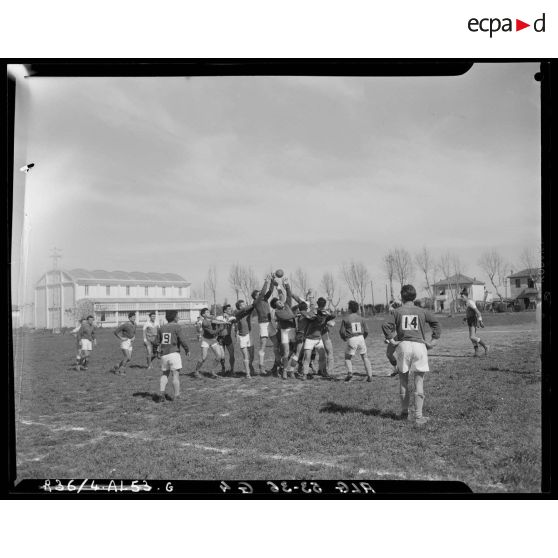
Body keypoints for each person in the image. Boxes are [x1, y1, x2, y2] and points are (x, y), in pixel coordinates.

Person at [382, 284, 441, 426]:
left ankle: (404, 413)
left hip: (403, 346)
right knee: (419, 381)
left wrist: (391, 339)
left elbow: (385, 325)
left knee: (403, 380)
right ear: (414, 296)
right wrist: (433, 341)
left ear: (401, 296)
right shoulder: (422, 311)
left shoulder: (397, 311)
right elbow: (436, 324)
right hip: (420, 346)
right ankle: (419, 416)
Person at [270, 277, 302, 379]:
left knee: (295, 351)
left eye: (280, 301)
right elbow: (287, 317)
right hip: (284, 332)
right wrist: (295, 315)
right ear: (275, 306)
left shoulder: (287, 305)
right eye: (278, 303)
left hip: (292, 330)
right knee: (286, 352)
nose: (280, 302)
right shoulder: (278, 312)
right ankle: (284, 371)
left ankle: (290, 370)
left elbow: (288, 294)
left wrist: (286, 284)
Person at [155, 310, 190, 402]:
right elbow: (182, 340)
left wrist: (156, 351)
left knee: (164, 374)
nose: (178, 317)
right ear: (174, 317)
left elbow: (156, 342)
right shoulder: (177, 326)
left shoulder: (161, 328)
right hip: (174, 353)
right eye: (177, 316)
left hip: (164, 355)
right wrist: (187, 349)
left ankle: (162, 394)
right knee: (175, 375)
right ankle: (177, 396)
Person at [252, 274, 281, 375]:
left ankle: (278, 364)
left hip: (270, 324)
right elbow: (264, 291)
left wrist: (272, 281)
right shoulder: (256, 301)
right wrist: (266, 282)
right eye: (259, 293)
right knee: (263, 345)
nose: (261, 294)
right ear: (256, 296)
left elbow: (270, 291)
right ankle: (261, 366)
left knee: (276, 343)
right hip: (263, 325)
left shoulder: (264, 299)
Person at [339, 301, 373, 382]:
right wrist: (363, 337)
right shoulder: (361, 318)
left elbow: (342, 331)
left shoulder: (346, 319)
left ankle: (350, 372)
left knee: (347, 358)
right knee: (365, 357)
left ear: (349, 309)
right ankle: (370, 376)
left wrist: (344, 338)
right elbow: (367, 330)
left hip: (351, 338)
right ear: (357, 309)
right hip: (361, 338)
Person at [193, 308, 225, 378]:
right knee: (204, 357)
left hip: (213, 340)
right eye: (207, 312)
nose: (209, 313)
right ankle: (196, 371)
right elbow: (211, 332)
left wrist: (225, 322)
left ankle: (212, 371)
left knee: (219, 356)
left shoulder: (212, 318)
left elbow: (218, 321)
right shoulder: (204, 322)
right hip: (206, 340)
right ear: (203, 315)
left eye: (208, 311)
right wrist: (220, 328)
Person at [460, 288, 489, 357]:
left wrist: (480, 321)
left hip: (473, 320)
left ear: (466, 296)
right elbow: (469, 312)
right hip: (470, 320)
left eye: (462, 297)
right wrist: (465, 318)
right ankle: (476, 352)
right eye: (461, 297)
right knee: (472, 337)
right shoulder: (466, 303)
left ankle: (486, 346)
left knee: (472, 337)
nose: (461, 298)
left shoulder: (470, 302)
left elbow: (478, 312)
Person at [234, 299, 256, 378]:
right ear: (239, 307)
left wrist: (256, 300)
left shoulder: (248, 312)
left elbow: (254, 305)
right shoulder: (237, 313)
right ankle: (248, 374)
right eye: (243, 304)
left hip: (249, 335)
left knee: (252, 355)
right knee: (245, 356)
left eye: (244, 304)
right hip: (242, 336)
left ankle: (250, 365)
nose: (244, 305)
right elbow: (245, 309)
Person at [218, 304, 236, 375]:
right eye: (229, 309)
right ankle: (223, 368)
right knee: (222, 356)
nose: (231, 310)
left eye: (231, 309)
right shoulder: (219, 317)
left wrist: (229, 318)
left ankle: (232, 369)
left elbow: (235, 320)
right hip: (220, 338)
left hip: (228, 337)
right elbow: (214, 322)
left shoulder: (232, 317)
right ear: (224, 310)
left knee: (232, 354)